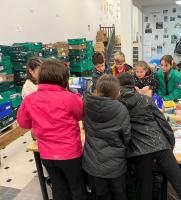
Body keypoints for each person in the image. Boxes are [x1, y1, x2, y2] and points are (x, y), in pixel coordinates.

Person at [118, 73, 181, 200]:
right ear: (134, 86)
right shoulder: (146, 100)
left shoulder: (117, 104)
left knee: (145, 189)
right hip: (161, 145)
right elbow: (163, 123)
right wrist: (170, 145)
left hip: (139, 151)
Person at [17, 59, 88, 200]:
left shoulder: (29, 100)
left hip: (47, 154)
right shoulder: (70, 98)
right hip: (70, 154)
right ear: (62, 78)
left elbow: (23, 123)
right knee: (77, 187)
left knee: (58, 188)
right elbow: (81, 115)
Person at [82, 74, 131, 200]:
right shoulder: (120, 108)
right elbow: (126, 136)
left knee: (101, 194)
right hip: (115, 162)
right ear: (116, 91)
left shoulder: (87, 105)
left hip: (92, 161)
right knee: (119, 194)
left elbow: (85, 127)